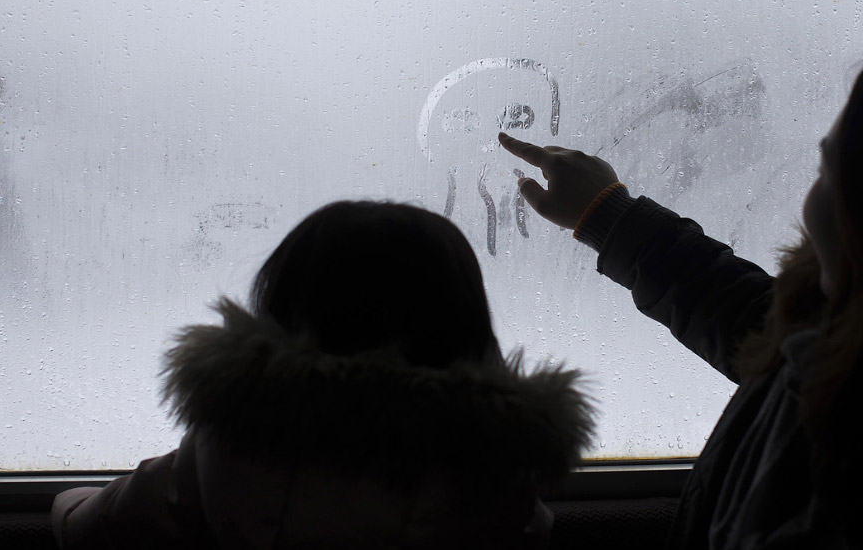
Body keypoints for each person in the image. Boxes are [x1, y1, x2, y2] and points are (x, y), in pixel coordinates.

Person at [499, 44, 863, 549]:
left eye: (828, 167)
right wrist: (607, 215)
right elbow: (741, 314)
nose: (809, 197)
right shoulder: (859, 347)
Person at [52, 201, 595, 549]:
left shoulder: (230, 446)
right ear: (468, 324)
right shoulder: (493, 471)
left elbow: (95, 527)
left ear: (280, 312)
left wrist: (65, 501)